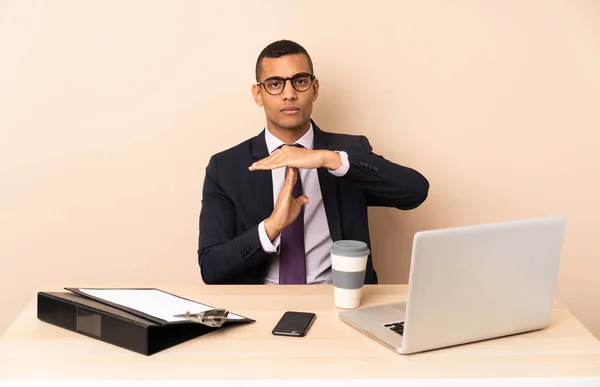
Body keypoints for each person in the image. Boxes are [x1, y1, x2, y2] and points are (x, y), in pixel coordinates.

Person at [197, 39, 429, 285]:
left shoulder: (347, 153)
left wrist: (326, 157)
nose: (289, 94)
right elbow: (211, 269)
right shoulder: (226, 167)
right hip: (262, 306)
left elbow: (415, 192)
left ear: (314, 88)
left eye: (300, 81)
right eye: (275, 84)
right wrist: (272, 226)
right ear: (258, 94)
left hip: (340, 301)